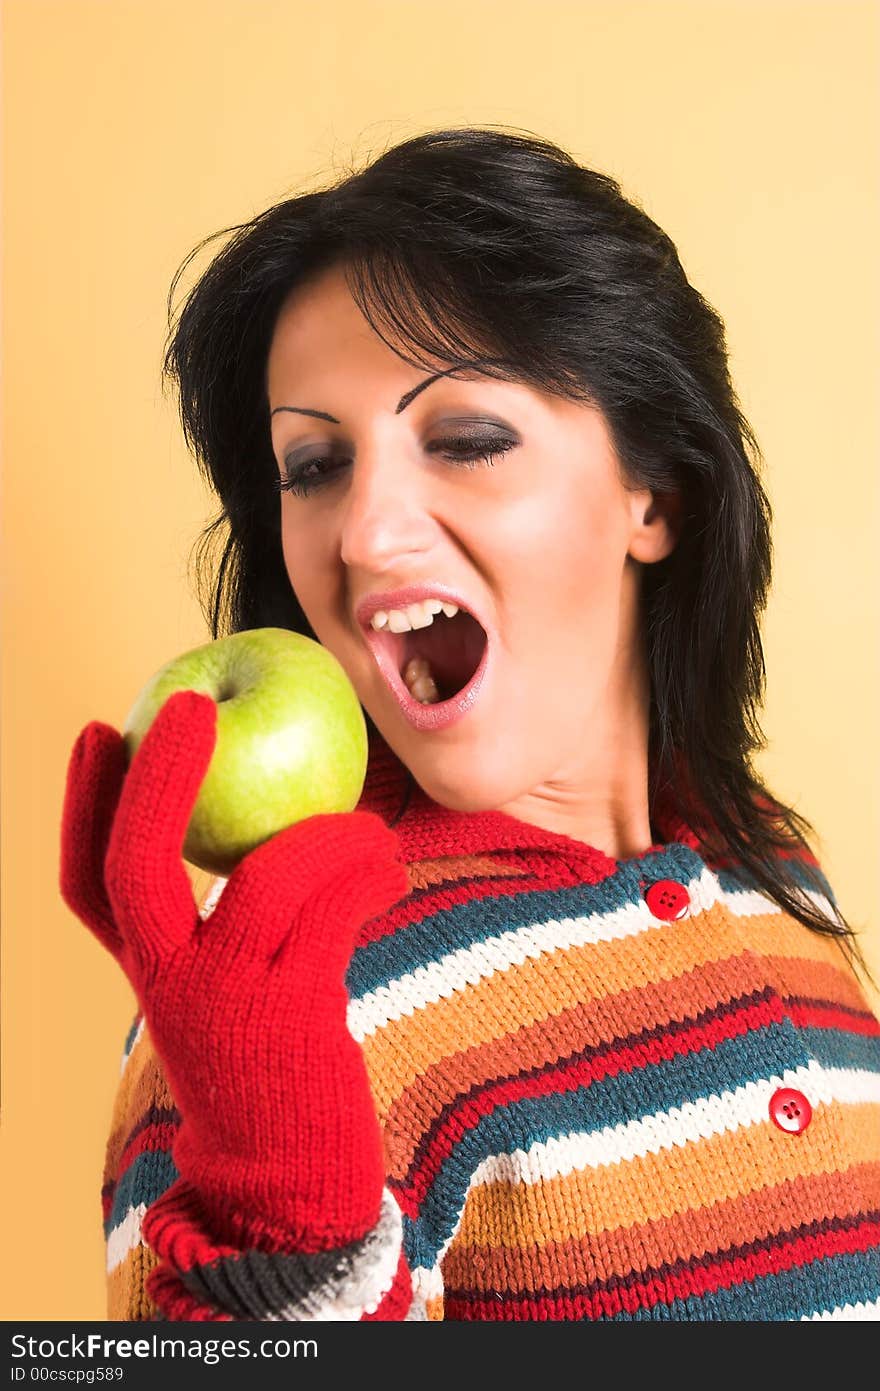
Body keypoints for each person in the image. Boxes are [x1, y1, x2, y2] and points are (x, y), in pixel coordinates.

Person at [60, 127, 880, 1322]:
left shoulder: (769, 861)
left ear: (653, 492)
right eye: (312, 465)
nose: (363, 533)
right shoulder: (280, 995)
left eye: (467, 439)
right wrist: (279, 1228)